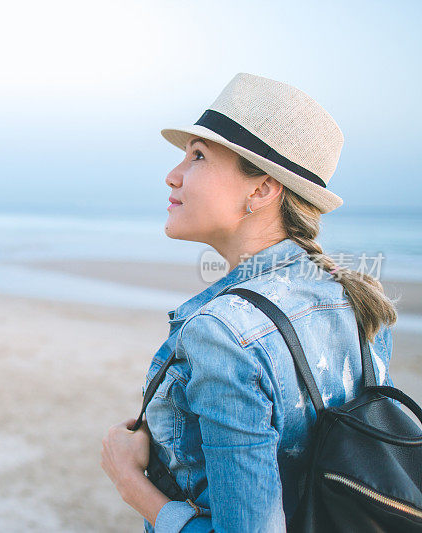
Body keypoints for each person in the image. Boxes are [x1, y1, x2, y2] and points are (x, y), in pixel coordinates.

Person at [100, 72, 399, 532]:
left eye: (198, 156)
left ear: (261, 189)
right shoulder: (354, 298)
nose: (173, 175)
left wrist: (131, 484)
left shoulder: (224, 332)